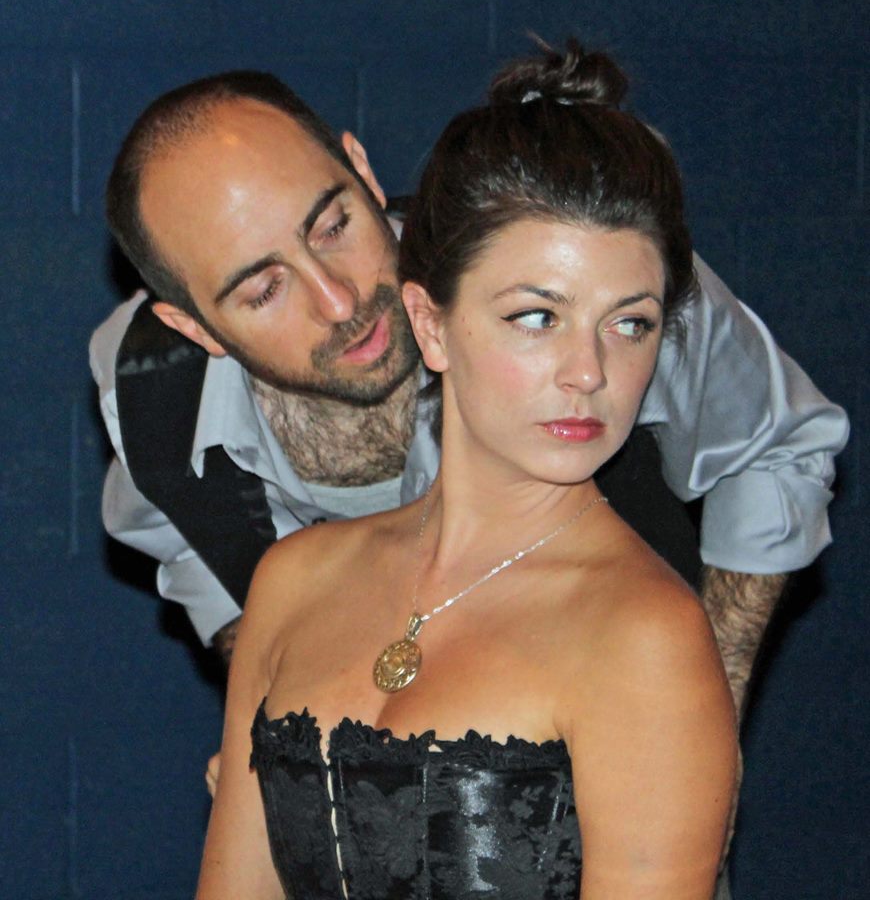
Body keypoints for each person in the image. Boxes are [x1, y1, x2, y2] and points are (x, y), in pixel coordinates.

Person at [90, 58, 847, 730]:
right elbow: (179, 537)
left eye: (333, 225)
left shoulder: (577, 271)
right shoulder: (151, 392)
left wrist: (702, 718)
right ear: (194, 326)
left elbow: (779, 445)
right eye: (264, 289)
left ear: (362, 169)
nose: (339, 299)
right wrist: (268, 703)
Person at [196, 40, 738, 899]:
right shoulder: (293, 581)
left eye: (629, 323)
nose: (589, 371)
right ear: (431, 325)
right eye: (537, 317)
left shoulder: (644, 633)